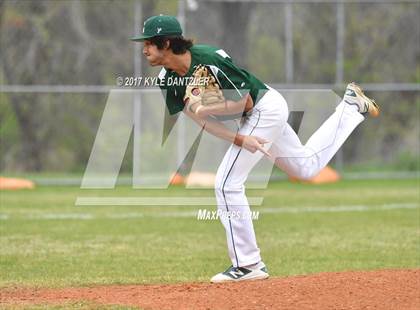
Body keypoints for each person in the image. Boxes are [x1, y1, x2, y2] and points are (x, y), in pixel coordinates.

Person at [131, 15, 379, 283]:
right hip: (251, 118)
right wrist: (237, 137)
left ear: (166, 43)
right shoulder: (167, 79)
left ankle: (248, 265)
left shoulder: (209, 59)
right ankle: (351, 108)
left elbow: (244, 101)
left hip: (264, 108)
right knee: (305, 168)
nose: (144, 49)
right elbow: (202, 122)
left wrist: (207, 107)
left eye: (149, 43)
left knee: (227, 183)